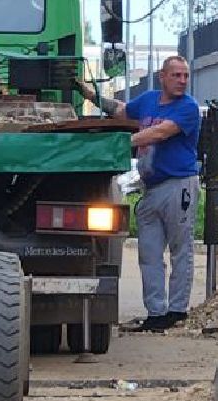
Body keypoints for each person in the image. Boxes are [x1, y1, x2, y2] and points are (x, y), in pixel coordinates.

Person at [79, 56, 200, 332]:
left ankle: (177, 310)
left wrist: (118, 144)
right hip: (151, 187)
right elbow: (122, 111)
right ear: (163, 76)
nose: (182, 81)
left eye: (185, 76)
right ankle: (156, 313)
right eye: (176, 75)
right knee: (149, 253)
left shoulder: (188, 108)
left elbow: (159, 133)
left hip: (178, 184)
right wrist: (90, 95)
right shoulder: (148, 100)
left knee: (181, 250)